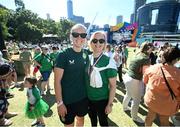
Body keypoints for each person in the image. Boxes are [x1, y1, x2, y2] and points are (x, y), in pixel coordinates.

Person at [54, 24, 89, 126]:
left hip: (82, 98)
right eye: (75, 34)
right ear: (70, 36)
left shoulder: (86, 54)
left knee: (81, 120)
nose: (79, 38)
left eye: (83, 35)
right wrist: (60, 103)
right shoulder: (63, 55)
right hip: (67, 101)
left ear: (85, 37)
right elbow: (57, 81)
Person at [143, 47, 180, 126]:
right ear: (175, 60)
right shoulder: (178, 74)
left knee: (149, 117)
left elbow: (145, 81)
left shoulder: (153, 68)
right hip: (167, 105)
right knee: (164, 122)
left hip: (152, 100)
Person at [87, 31, 117, 126]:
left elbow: (113, 86)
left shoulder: (109, 62)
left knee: (103, 123)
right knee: (93, 121)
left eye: (101, 41)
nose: (98, 43)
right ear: (90, 43)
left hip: (102, 100)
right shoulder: (86, 58)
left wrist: (110, 104)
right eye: (94, 40)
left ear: (105, 44)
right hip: (88, 99)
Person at [122, 42, 153, 123]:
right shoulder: (146, 58)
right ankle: (135, 117)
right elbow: (145, 73)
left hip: (127, 76)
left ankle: (125, 108)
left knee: (128, 94)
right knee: (136, 100)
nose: (152, 49)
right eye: (152, 48)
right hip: (134, 79)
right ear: (148, 48)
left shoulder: (137, 53)